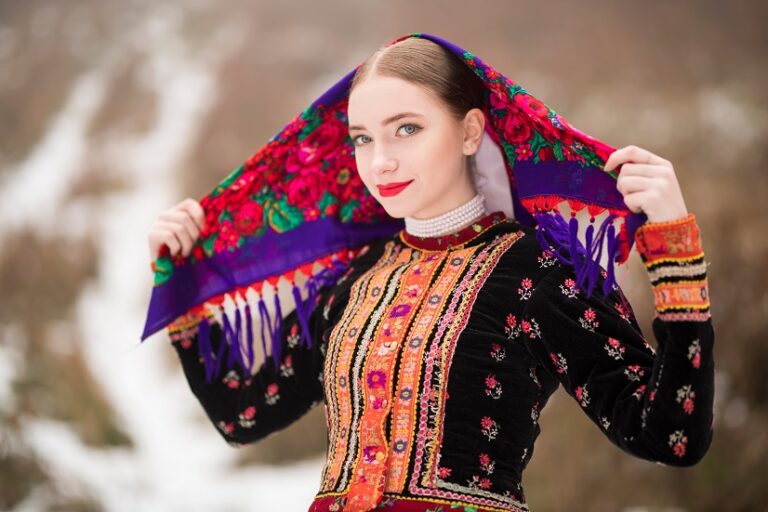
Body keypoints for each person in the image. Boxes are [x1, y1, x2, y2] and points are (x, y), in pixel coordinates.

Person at [146, 34, 714, 512]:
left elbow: (670, 434)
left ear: (470, 131)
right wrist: (181, 280)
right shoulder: (354, 283)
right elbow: (241, 414)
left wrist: (674, 251)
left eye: (407, 129)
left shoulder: (537, 271)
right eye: (363, 139)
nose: (380, 161)